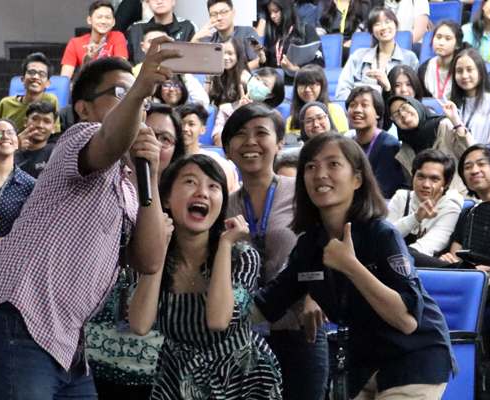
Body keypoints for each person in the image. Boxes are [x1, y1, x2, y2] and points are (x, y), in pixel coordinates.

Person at [0, 47, 176, 398]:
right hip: (16, 316)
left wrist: (148, 170)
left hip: (68, 344)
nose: (139, 109)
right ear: (84, 108)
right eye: (120, 94)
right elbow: (108, 139)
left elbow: (149, 259)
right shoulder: (77, 139)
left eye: (141, 102)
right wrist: (141, 89)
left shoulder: (129, 184)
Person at [253, 132, 455, 400]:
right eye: (311, 167)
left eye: (333, 164)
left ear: (357, 179)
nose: (320, 174)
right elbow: (266, 304)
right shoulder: (311, 245)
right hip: (363, 364)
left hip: (414, 358)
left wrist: (351, 266)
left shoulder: (380, 234)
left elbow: (406, 321)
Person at [127, 154, 282, 399]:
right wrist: (159, 248)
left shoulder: (242, 256)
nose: (203, 192)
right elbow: (139, 324)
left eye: (214, 186)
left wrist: (224, 247)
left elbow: (219, 321)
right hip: (179, 379)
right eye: (190, 182)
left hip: (243, 379)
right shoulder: (155, 257)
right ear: (166, 198)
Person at [83, 82, 186, 400]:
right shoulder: (93, 182)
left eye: (165, 138)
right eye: (146, 131)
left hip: (159, 364)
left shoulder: (186, 199)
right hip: (93, 356)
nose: (152, 143)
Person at [221, 103, 329, 400]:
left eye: (261, 133)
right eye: (240, 134)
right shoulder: (222, 205)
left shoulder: (301, 191)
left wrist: (314, 293)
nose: (251, 142)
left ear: (280, 143)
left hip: (298, 329)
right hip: (240, 336)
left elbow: (327, 242)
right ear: (227, 149)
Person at [386, 149, 463, 260]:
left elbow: (426, 247)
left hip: (425, 266)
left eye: (434, 179)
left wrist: (395, 254)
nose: (426, 184)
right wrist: (416, 218)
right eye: (420, 177)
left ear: (447, 183)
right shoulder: (401, 197)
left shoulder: (451, 207)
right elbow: (386, 238)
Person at [387, 95, 474, 194]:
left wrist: (456, 123)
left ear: (416, 106)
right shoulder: (405, 151)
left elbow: (470, 155)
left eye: (404, 107)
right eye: (396, 114)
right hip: (426, 202)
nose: (402, 114)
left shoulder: (443, 125)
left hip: (459, 195)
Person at [336, 7, 419, 101]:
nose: (383, 27)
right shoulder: (358, 56)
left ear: (395, 25)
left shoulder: (410, 58)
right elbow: (342, 92)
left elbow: (415, 94)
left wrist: (388, 88)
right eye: (378, 24)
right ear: (371, 30)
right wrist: (367, 102)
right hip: (363, 111)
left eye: (388, 22)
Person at [344, 86, 406, 198]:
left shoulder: (390, 147)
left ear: (377, 113)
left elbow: (382, 192)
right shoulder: (348, 144)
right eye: (352, 105)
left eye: (364, 105)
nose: (357, 110)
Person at [449, 47, 490, 144]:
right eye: (459, 71)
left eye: (469, 70)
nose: (464, 76)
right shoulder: (452, 105)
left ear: (480, 72)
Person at [260, 0, 326, 84]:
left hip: (301, 82)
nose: (272, 16)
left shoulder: (306, 30)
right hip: (276, 85)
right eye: (270, 13)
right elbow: (267, 68)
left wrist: (295, 69)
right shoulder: (272, 34)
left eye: (276, 11)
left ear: (286, 10)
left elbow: (319, 63)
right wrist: (261, 56)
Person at [213, 68, 285, 144]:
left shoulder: (273, 117)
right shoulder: (226, 109)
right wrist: (237, 114)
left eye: (265, 84)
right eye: (257, 79)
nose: (258, 84)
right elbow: (219, 142)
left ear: (270, 94)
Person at [176, 103, 239, 190]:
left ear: (203, 130)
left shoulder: (217, 163)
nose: (185, 129)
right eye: (181, 124)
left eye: (191, 124)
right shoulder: (167, 160)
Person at [61, 0, 128, 79]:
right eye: (99, 17)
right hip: (85, 86)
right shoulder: (75, 43)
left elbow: (122, 69)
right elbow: (64, 79)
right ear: (89, 20)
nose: (103, 21)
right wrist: (87, 61)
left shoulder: (117, 37)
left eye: (108, 18)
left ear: (113, 22)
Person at [0, 53, 61, 133]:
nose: (36, 77)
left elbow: (54, 134)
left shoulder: (50, 101)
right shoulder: (5, 104)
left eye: (42, 74)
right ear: (23, 79)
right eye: (31, 72)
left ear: (48, 83)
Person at [193, 0, 262, 70]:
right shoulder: (208, 39)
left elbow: (257, 60)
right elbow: (192, 64)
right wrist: (195, 38)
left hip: (243, 77)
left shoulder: (247, 32)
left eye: (224, 12)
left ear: (233, 13)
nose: (219, 18)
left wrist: (235, 73)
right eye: (214, 14)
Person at [125, 0, 197, 65]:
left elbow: (194, 61)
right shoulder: (136, 29)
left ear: (173, 1)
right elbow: (130, 62)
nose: (159, 1)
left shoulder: (188, 27)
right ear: (148, 3)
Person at [288, 65, 349, 135]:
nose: (307, 90)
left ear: (322, 86)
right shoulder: (291, 119)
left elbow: (342, 140)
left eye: (312, 84)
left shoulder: (336, 111)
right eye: (302, 85)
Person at [418, 20, 463, 99]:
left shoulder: (463, 68)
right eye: (438, 37)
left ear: (457, 44)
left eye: (448, 39)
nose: (441, 43)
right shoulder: (424, 68)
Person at [14, 101, 57, 179]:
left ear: (54, 128)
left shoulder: (57, 154)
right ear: (25, 122)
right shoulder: (11, 152)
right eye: (35, 119)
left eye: (47, 122)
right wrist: (13, 148)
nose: (40, 125)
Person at [205, 36, 250, 108]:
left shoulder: (245, 78)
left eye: (230, 53)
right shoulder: (217, 74)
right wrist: (208, 79)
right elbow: (204, 102)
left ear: (238, 55)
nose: (225, 57)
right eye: (222, 53)